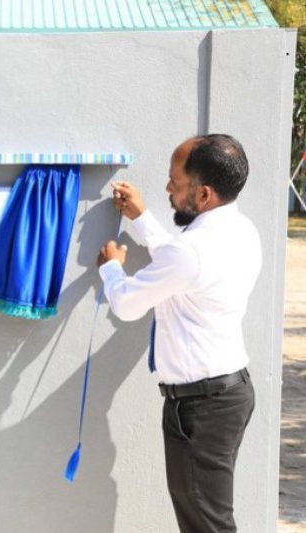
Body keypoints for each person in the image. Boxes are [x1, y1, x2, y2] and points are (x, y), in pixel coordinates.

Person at [96, 134, 261, 532]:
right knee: (207, 518)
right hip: (226, 396)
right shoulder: (240, 229)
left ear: (203, 194)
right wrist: (141, 219)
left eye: (175, 181)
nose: (168, 188)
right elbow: (180, 266)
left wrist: (112, 267)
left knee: (207, 524)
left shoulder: (192, 251)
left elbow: (128, 304)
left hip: (201, 408)